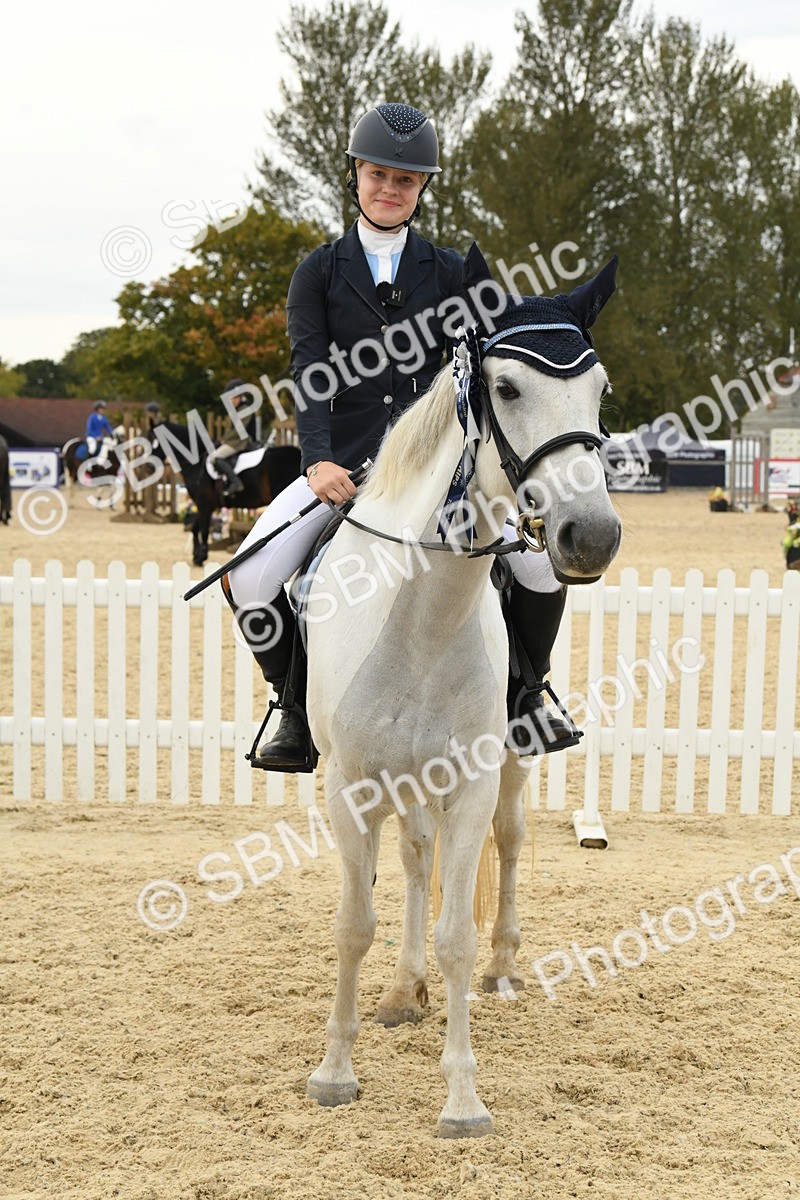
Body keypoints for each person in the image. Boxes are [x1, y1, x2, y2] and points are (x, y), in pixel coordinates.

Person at [226, 102, 577, 771]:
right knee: (248, 575)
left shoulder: (451, 272)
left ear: (422, 189)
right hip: (347, 467)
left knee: (538, 561)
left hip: (441, 469)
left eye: (406, 181)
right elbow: (309, 370)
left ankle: (531, 696)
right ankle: (292, 708)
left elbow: (483, 365)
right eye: (378, 175)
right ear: (355, 174)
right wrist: (318, 460)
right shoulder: (319, 272)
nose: (390, 189)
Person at [207, 378, 257, 496]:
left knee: (215, 458)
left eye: (234, 398)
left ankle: (236, 482)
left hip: (240, 442)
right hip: (233, 441)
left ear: (241, 397)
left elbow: (239, 430)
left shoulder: (245, 410)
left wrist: (224, 440)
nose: (231, 400)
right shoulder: (236, 410)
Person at [85, 400, 115, 467]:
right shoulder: (92, 417)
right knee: (92, 449)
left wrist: (112, 433)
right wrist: (96, 437)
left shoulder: (104, 418)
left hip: (100, 437)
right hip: (91, 437)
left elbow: (108, 427)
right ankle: (89, 464)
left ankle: (101, 462)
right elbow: (89, 429)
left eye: (104, 409)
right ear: (98, 409)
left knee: (108, 445)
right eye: (102, 409)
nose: (103, 410)